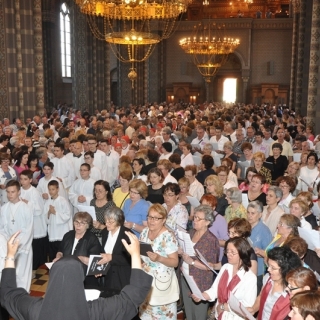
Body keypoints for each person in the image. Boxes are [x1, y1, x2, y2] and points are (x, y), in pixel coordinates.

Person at [1, 230, 153, 320]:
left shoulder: (35, 309)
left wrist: (10, 255)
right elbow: (132, 297)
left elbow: (8, 293)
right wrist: (134, 255)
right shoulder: (93, 311)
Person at [192, 237, 257, 320]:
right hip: (220, 316)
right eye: (227, 251)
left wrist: (224, 307)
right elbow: (215, 290)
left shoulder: (250, 278)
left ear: (242, 253)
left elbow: (247, 307)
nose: (228, 255)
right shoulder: (226, 267)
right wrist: (202, 296)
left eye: (232, 252)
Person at [139, 204, 179, 319]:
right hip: (145, 283)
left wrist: (159, 258)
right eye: (150, 217)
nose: (152, 221)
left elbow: (175, 262)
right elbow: (141, 253)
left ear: (164, 220)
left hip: (161, 287)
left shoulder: (168, 236)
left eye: (156, 218)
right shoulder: (144, 232)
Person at [180, 205, 220, 320]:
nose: (195, 220)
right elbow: (186, 252)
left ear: (207, 222)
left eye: (199, 218)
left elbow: (210, 267)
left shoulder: (211, 240)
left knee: (199, 315)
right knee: (188, 313)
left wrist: (192, 262)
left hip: (200, 282)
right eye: (195, 217)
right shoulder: (191, 232)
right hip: (185, 278)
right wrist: (180, 252)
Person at [249, 247, 302, 320]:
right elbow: (261, 296)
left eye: (273, 268)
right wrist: (253, 309)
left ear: (285, 270)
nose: (268, 269)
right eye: (268, 265)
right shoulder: (267, 278)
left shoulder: (293, 291)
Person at [0, 180, 33, 291]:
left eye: (13, 192)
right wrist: (7, 244)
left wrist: (18, 245)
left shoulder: (26, 208)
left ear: (19, 192)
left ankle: (23, 301)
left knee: (22, 276)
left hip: (23, 247)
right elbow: (2, 229)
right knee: (10, 274)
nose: (10, 195)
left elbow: (28, 230)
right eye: (8, 192)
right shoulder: (4, 208)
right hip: (8, 248)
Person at [53, 212, 102, 286]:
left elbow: (95, 262)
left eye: (82, 223)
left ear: (88, 225)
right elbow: (60, 251)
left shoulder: (92, 239)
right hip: (66, 273)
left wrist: (78, 258)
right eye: (76, 222)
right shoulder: (68, 235)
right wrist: (58, 257)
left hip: (85, 278)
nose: (78, 225)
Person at [98, 207, 133, 296]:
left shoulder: (127, 234)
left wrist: (111, 257)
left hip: (123, 277)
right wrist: (99, 269)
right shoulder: (105, 232)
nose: (106, 224)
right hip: (109, 277)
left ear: (119, 221)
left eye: (110, 222)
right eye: (106, 221)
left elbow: (130, 259)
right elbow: (103, 254)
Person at [19, 170, 47, 272]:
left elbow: (40, 209)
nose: (23, 181)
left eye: (25, 179)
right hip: (24, 223)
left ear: (30, 180)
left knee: (35, 248)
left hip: (36, 224)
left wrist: (28, 204)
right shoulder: (19, 191)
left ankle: (34, 269)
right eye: (21, 179)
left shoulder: (35, 192)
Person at [247, 201, 273, 293]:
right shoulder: (245, 226)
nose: (250, 216)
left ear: (260, 214)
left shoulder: (264, 231)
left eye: (253, 213)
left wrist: (261, 252)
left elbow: (270, 253)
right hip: (245, 267)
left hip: (258, 270)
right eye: (248, 212)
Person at [45, 180, 72, 261]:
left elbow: (67, 216)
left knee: (62, 255)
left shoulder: (63, 201)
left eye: (53, 189)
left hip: (62, 233)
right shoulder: (48, 202)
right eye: (49, 189)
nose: (51, 191)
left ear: (58, 189)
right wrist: (49, 213)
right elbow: (45, 218)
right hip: (53, 233)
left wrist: (55, 213)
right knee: (53, 255)